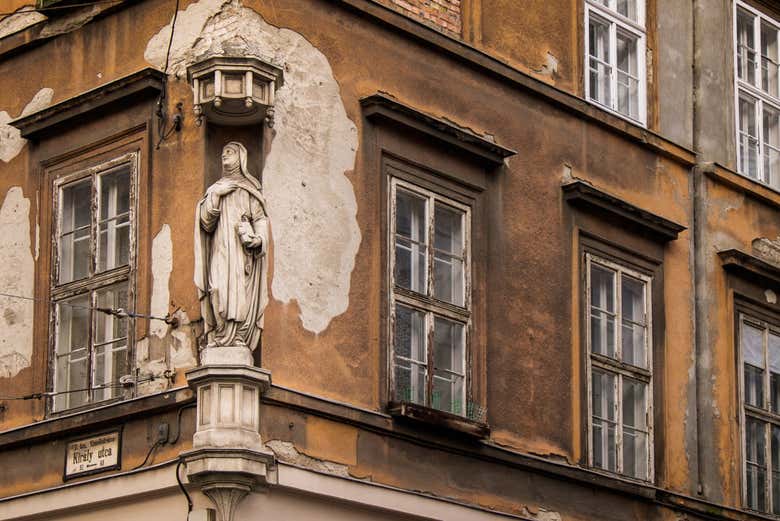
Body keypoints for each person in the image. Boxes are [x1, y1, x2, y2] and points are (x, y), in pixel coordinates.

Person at [194, 141, 268, 353]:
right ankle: (219, 334)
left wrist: (258, 239)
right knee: (216, 288)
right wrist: (217, 195)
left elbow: (261, 218)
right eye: (223, 152)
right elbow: (206, 223)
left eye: (229, 152)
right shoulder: (214, 190)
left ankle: (237, 337)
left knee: (239, 292)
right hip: (219, 249)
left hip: (241, 253)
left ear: (240, 158)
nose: (224, 156)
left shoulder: (248, 191)